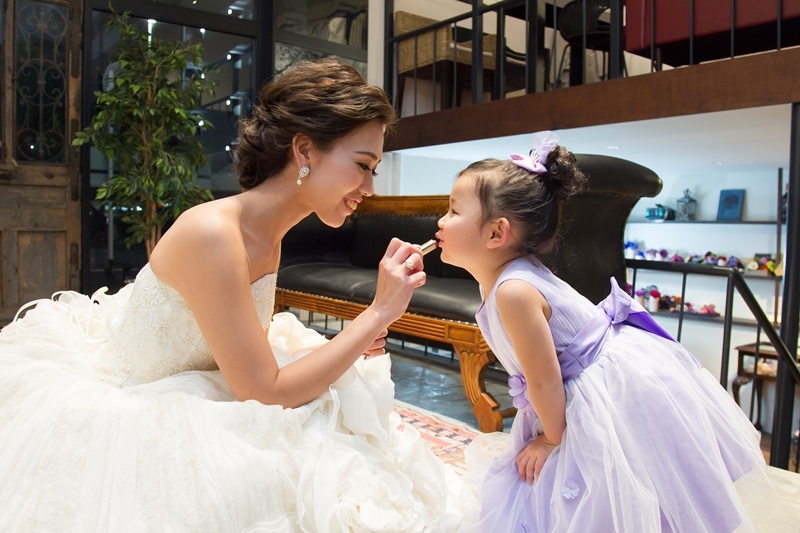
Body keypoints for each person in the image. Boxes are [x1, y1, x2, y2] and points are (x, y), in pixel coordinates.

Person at [0, 58, 467, 532]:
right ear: (305, 149)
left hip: (209, 379)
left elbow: (248, 358)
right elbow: (264, 391)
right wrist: (377, 313)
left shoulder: (268, 232)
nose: (369, 187)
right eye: (363, 166)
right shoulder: (214, 234)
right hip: (138, 406)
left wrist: (356, 336)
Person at [436, 131, 771, 532]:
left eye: (453, 211)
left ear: (496, 233)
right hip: (575, 390)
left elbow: (544, 382)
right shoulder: (498, 282)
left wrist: (552, 440)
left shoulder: (514, 291)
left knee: (605, 491)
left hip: (599, 391)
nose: (441, 220)